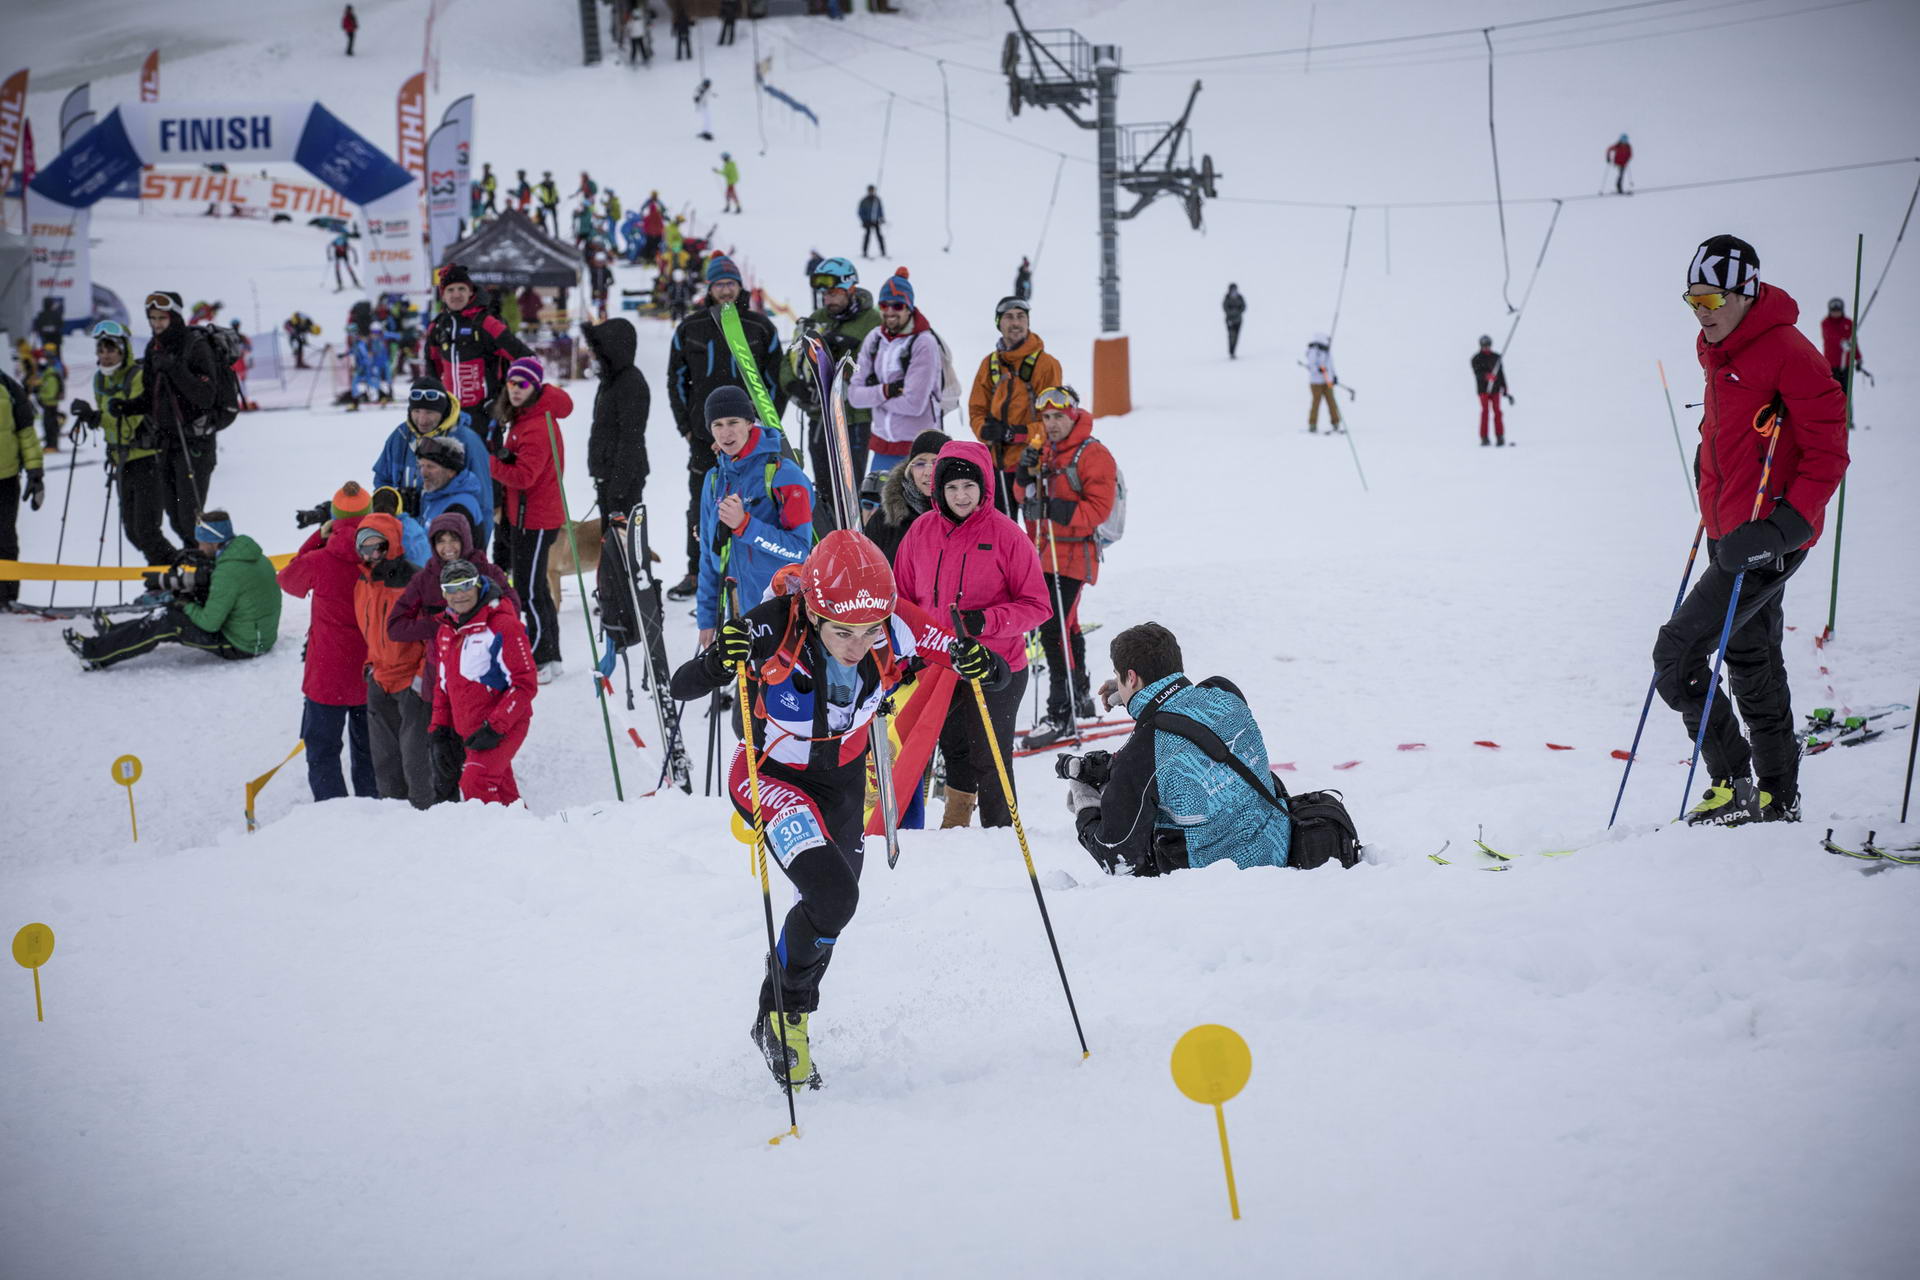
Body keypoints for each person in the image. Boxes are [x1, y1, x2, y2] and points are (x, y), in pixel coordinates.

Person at [669, 529, 1004, 1089]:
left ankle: (777, 1011)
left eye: (869, 630)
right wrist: (715, 663)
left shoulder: (894, 624)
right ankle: (787, 1016)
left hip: (843, 781)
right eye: (842, 632)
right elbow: (683, 685)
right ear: (813, 613)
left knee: (835, 910)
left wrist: (984, 665)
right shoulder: (773, 623)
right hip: (771, 776)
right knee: (833, 895)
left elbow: (980, 662)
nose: (859, 643)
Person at [1656, 234, 1848, 826]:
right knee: (1752, 661)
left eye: (1712, 299)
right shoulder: (1716, 349)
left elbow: (1829, 449)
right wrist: (1706, 466)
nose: (1702, 311)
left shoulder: (1788, 349)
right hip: (1728, 532)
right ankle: (1777, 793)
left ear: (1745, 291)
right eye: (1693, 300)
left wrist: (1783, 527)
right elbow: (1731, 429)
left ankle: (1733, 781)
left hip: (1768, 539)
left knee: (1676, 656)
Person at [894, 439, 1050, 828]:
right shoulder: (920, 532)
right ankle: (956, 821)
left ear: (984, 486)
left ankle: (1000, 830)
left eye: (968, 486)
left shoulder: (1007, 535)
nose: (961, 496)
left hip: (997, 666)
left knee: (990, 753)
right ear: (938, 490)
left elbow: (1037, 606)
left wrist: (986, 621)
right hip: (939, 663)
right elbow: (902, 597)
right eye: (951, 487)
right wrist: (909, 647)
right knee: (954, 748)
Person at [1068, 623, 1293, 875]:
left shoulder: (1142, 753)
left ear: (1131, 677)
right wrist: (1133, 696)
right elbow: (1184, 711)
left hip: (1221, 884)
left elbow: (1116, 856)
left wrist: (1086, 804)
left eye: (1121, 677)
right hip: (1279, 851)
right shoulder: (1224, 691)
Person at [665, 254, 786, 600]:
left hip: (751, 437)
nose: (725, 290)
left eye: (731, 284)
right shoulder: (691, 327)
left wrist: (766, 424)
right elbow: (676, 379)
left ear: (740, 287)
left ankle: (753, 567)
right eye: (719, 284)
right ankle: (698, 570)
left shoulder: (760, 326)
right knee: (702, 503)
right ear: (710, 288)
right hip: (705, 436)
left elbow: (775, 378)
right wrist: (687, 426)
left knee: (755, 501)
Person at [387, 512, 519, 804]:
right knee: (444, 760)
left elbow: (512, 608)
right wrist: (440, 624)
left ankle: (504, 814)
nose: (448, 547)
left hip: (482, 680)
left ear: (466, 539)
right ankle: (451, 821)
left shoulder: (488, 570)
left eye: (454, 539)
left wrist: (480, 621)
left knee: (485, 758)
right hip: (441, 680)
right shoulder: (426, 578)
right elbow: (395, 626)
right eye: (440, 541)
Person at [1015, 386, 1118, 747]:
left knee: (1053, 630)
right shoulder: (1046, 450)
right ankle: (1079, 696)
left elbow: (1099, 509)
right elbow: (1023, 498)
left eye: (1059, 415)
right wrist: (1025, 474)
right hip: (1045, 551)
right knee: (1066, 626)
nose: (1053, 423)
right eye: (1047, 417)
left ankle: (1060, 712)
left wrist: (1057, 511)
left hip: (1073, 555)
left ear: (1073, 414)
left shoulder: (1093, 453)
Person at [64, 512, 280, 669]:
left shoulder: (228, 572)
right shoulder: (253, 556)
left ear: (214, 542)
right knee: (172, 608)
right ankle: (114, 633)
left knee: (166, 619)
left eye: (201, 542)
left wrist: (186, 605)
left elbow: (209, 623)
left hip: (243, 645)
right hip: (260, 635)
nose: (199, 547)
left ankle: (93, 653)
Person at [278, 484, 380, 801]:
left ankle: (330, 810)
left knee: (322, 749)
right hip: (371, 671)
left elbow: (288, 579)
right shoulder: (380, 556)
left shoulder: (320, 559)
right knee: (370, 749)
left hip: (327, 674)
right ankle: (372, 807)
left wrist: (320, 536)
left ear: (334, 518)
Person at [693, 385, 814, 644]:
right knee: (747, 684)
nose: (726, 433)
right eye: (718, 425)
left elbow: (801, 550)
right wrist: (706, 617)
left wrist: (746, 526)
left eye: (733, 422)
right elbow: (708, 555)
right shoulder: (715, 480)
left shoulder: (785, 475)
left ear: (749, 423)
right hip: (738, 614)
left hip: (784, 611)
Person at [778, 257, 879, 534]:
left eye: (834, 294)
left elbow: (878, 367)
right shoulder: (818, 320)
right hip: (818, 417)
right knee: (823, 486)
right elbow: (790, 361)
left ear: (850, 289)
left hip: (853, 419)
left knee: (850, 486)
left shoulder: (872, 321)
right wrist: (796, 388)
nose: (828, 300)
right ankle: (830, 539)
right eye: (825, 294)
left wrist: (847, 359)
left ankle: (856, 539)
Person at [429, 559, 539, 805]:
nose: (460, 595)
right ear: (444, 594)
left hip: (506, 724)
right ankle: (527, 835)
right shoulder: (446, 631)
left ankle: (495, 840)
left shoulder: (502, 625)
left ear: (478, 585)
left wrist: (496, 726)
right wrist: (440, 730)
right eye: (452, 589)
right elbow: (443, 685)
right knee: (502, 791)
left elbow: (524, 684)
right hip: (471, 730)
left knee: (476, 782)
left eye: (466, 586)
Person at [488, 357, 570, 681]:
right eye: (511, 383)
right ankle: (553, 656)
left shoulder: (536, 424)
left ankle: (540, 658)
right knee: (535, 588)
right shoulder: (525, 416)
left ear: (535, 386)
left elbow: (524, 476)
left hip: (535, 519)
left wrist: (490, 462)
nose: (515, 390)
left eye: (522, 384)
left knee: (529, 590)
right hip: (526, 515)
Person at [116, 291, 218, 548]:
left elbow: (206, 396)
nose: (157, 324)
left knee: (190, 517)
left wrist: (175, 368)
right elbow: (152, 397)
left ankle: (207, 570)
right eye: (152, 318)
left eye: (162, 317)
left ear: (174, 316)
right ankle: (196, 569)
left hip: (194, 441)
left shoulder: (194, 345)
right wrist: (127, 407)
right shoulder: (154, 347)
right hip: (167, 441)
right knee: (174, 516)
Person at [347, 512, 433, 808]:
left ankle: (428, 820)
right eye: (364, 548)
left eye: (377, 546)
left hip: (411, 682)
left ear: (392, 543)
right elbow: (370, 629)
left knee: (416, 761)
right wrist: (372, 664)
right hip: (380, 679)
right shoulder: (363, 582)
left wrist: (422, 678)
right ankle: (393, 821)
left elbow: (433, 635)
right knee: (385, 762)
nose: (371, 555)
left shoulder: (415, 580)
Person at [72, 321, 175, 567]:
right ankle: (167, 574)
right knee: (132, 532)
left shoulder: (138, 376)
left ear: (123, 350)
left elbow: (129, 423)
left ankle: (171, 575)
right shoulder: (100, 379)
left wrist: (97, 418)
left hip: (148, 459)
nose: (106, 356)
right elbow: (112, 423)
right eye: (101, 350)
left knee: (147, 530)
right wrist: (93, 417)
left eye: (111, 350)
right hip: (122, 462)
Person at [967, 296, 1062, 517]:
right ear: (999, 323)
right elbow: (976, 409)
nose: (1015, 323)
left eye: (1021, 317)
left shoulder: (1046, 365)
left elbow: (1054, 419)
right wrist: (984, 430)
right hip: (996, 464)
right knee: (1000, 532)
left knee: (1034, 532)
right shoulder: (989, 364)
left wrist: (1016, 434)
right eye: (1009, 317)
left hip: (1033, 463)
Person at [370, 374, 493, 541]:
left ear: (442, 411)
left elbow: (483, 502)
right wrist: (391, 499)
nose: (422, 419)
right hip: (406, 539)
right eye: (416, 411)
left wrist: (478, 549)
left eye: (429, 412)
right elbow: (382, 478)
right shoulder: (400, 436)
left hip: (448, 542)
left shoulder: (466, 440)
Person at [848, 268, 945, 475]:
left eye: (898, 305)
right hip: (883, 445)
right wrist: (886, 391)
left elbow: (914, 404)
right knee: (873, 505)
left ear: (909, 307)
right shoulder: (874, 339)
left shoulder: (923, 343)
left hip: (920, 448)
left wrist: (873, 398)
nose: (890, 311)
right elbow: (854, 396)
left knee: (919, 508)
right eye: (884, 305)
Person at [426, 264, 533, 423]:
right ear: (443, 295)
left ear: (470, 291)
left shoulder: (487, 323)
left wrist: (507, 396)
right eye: (450, 290)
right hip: (449, 416)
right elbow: (432, 369)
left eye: (461, 289)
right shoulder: (437, 327)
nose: (456, 294)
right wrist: (435, 403)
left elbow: (527, 358)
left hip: (485, 416)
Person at [583, 318, 652, 521]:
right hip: (608, 475)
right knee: (610, 543)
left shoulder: (631, 384)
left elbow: (631, 439)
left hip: (622, 482)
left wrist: (618, 487)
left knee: (623, 544)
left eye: (595, 349)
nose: (591, 354)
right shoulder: (610, 380)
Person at [863, 428, 943, 565]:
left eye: (936, 462)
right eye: (920, 463)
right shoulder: (887, 516)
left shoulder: (963, 514)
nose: (928, 472)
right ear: (909, 469)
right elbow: (866, 570)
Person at [0, 369, 44, 609]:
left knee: (4, 537)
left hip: (5, 478)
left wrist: (35, 471)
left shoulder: (8, 386)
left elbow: (26, 431)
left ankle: (6, 597)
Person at [1471, 335, 1512, 446]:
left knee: (1497, 412)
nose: (1487, 347)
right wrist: (1486, 376)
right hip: (1483, 390)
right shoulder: (1476, 358)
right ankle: (1484, 438)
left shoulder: (1496, 357)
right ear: (1481, 345)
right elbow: (1477, 373)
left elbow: (1501, 374)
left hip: (1495, 389)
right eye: (1484, 345)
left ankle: (1500, 436)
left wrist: (1504, 387)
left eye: (1488, 345)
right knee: (1485, 412)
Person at [1820, 297, 1863, 395]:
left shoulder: (1848, 323)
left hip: (1846, 366)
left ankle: (1846, 409)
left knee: (1846, 391)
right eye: (1834, 311)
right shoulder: (1826, 323)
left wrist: (1858, 358)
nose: (1836, 313)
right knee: (1834, 391)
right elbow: (1829, 336)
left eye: (1838, 311)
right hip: (1831, 365)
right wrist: (1842, 341)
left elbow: (1853, 342)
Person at [1303, 332, 1342, 433]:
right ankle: (1312, 424)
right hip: (1316, 382)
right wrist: (1318, 370)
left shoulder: (1327, 352)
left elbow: (1331, 366)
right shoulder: (1314, 351)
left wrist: (1334, 376)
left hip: (1327, 381)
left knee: (1331, 402)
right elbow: (1311, 366)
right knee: (1316, 403)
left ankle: (1336, 423)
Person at [28, 347, 65, 451]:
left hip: (50, 404)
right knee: (47, 425)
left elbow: (51, 393)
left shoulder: (51, 376)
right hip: (48, 404)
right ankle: (49, 444)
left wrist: (39, 394)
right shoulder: (47, 375)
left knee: (50, 426)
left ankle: (52, 445)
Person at [858, 186, 886, 258]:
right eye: (870, 190)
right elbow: (860, 212)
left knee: (879, 236)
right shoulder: (864, 201)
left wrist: (881, 217)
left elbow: (880, 209)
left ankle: (883, 252)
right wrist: (864, 220)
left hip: (876, 221)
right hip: (867, 221)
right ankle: (864, 252)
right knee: (867, 236)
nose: (872, 192)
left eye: (873, 190)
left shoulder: (877, 200)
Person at [1222, 283, 1245, 359]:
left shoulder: (1240, 297)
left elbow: (1244, 307)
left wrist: (1237, 311)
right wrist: (1232, 312)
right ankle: (1231, 351)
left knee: (1236, 337)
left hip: (1238, 321)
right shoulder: (1227, 298)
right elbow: (1225, 307)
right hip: (1230, 320)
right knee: (1231, 336)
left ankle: (1233, 351)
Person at [537, 172, 561, 236]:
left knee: (554, 219)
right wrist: (539, 197)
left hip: (552, 205)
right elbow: (533, 189)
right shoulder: (542, 184)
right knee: (543, 219)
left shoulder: (553, 184)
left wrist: (557, 198)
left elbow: (555, 191)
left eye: (548, 176)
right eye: (546, 176)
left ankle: (556, 235)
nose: (547, 178)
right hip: (546, 205)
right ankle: (546, 232)